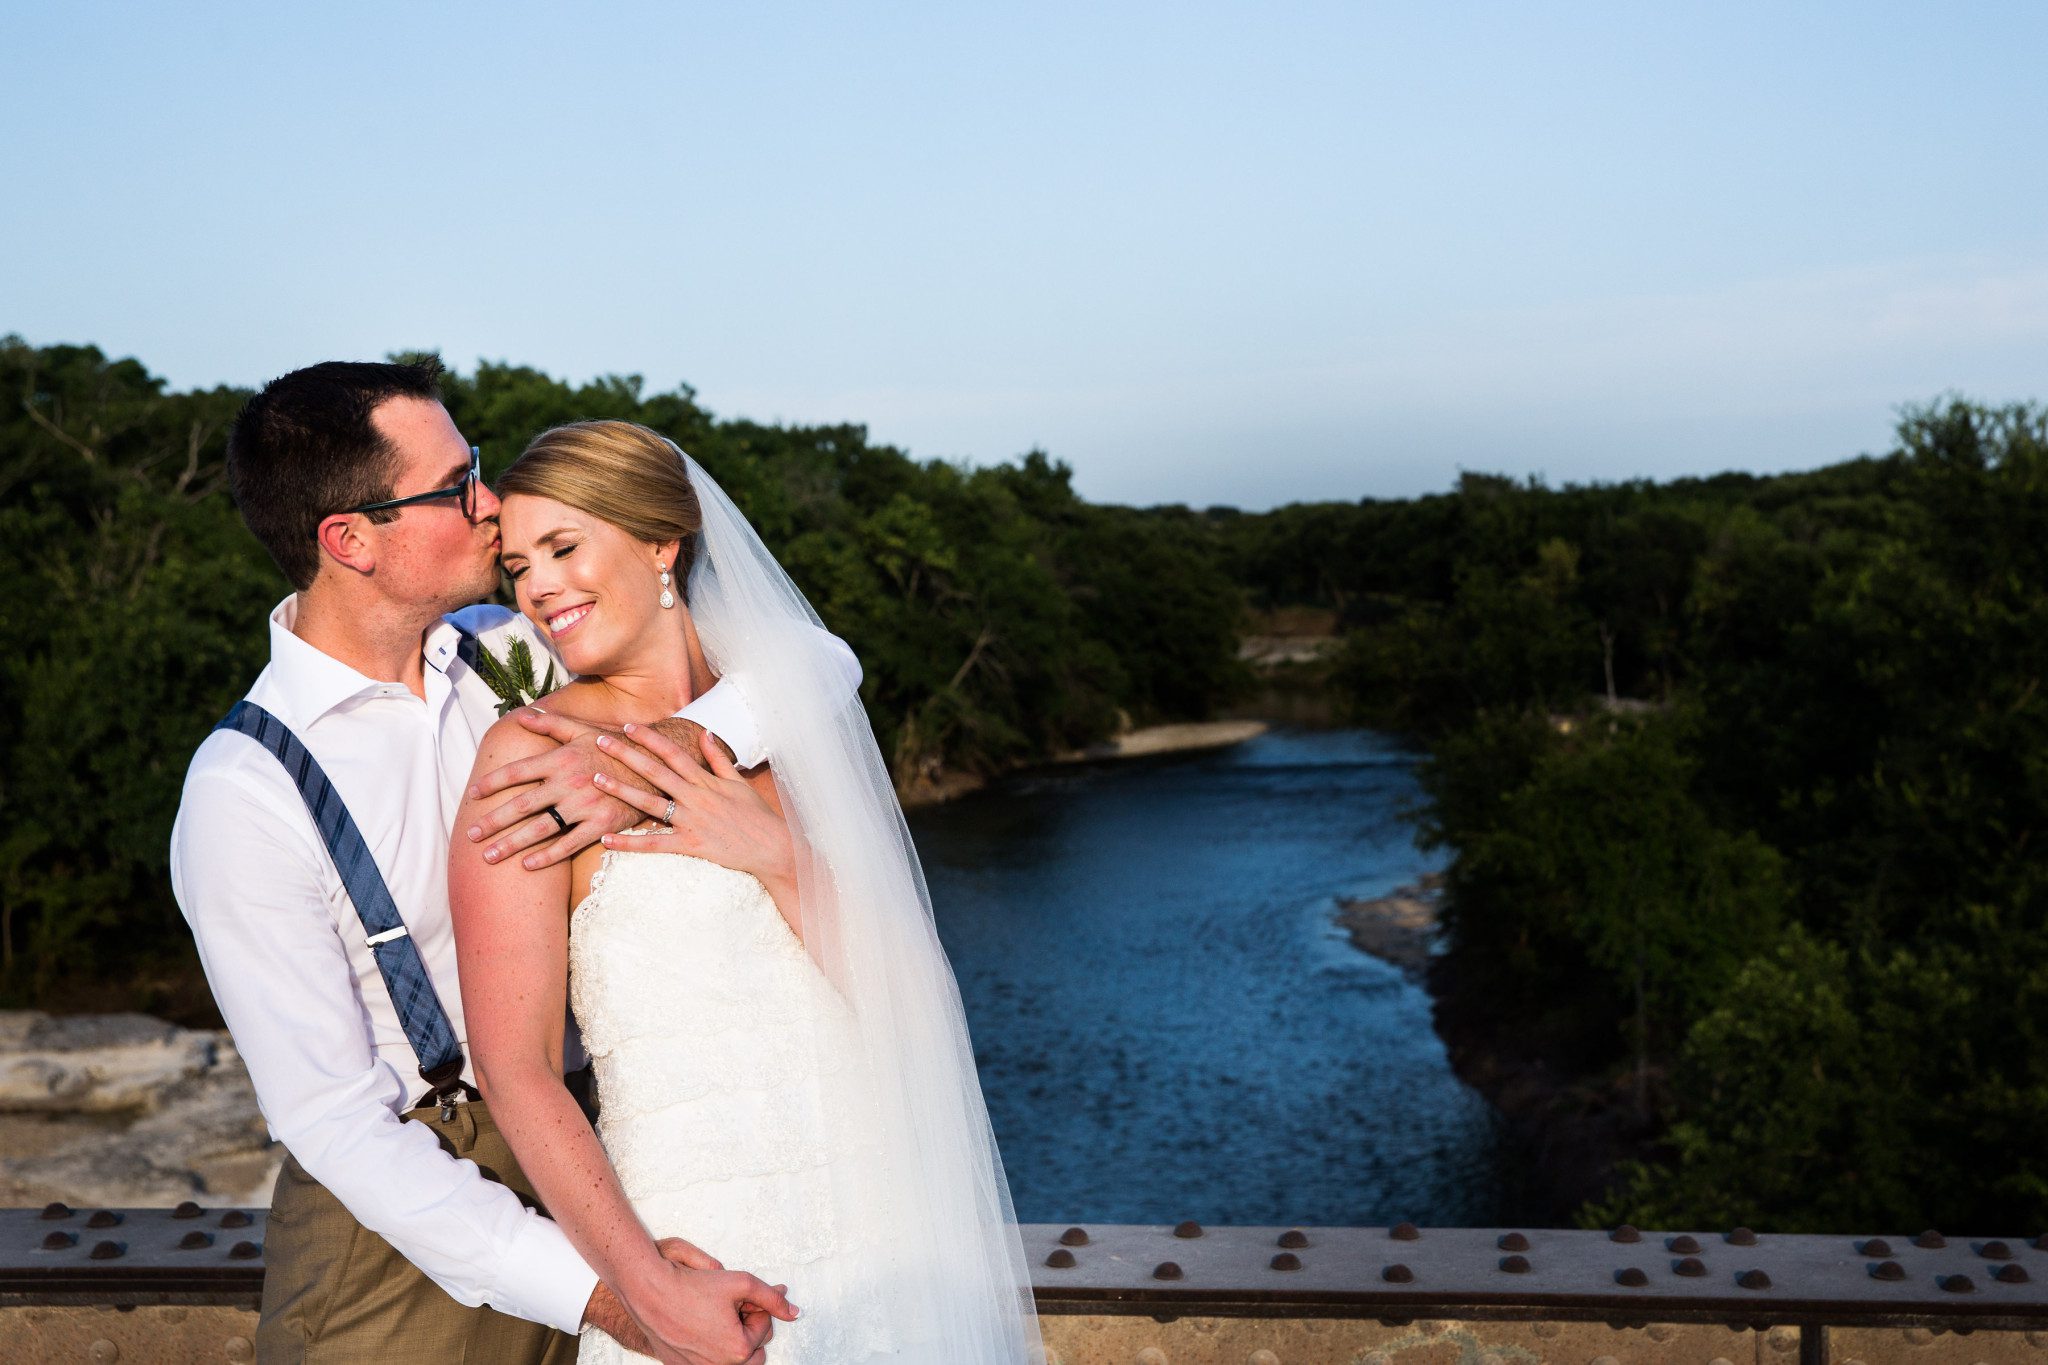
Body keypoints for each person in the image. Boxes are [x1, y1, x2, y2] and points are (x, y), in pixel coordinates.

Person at [170, 361, 848, 1362]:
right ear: (350, 540)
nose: (490, 506)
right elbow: (336, 1124)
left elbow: (819, 661)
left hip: (607, 1165)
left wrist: (662, 754)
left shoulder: (508, 648)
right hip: (400, 1244)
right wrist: (613, 1295)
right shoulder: (247, 790)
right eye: (455, 487)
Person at [450, 420, 1044, 1363]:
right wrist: (644, 1287)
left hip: (890, 1237)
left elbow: (916, 1002)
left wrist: (774, 853)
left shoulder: (789, 722)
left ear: (661, 542)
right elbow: (514, 1069)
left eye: (563, 547)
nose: (539, 588)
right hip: (702, 1248)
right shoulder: (535, 759)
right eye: (519, 567)